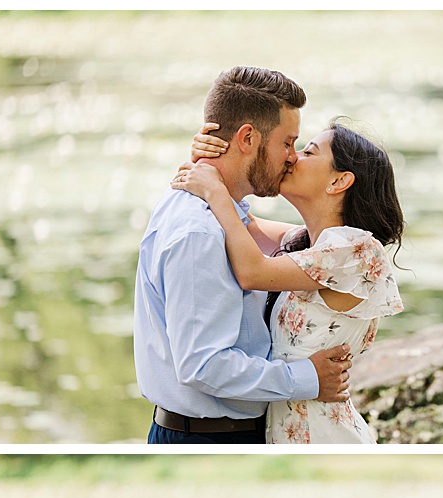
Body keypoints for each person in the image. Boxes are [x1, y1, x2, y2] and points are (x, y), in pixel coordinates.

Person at [133, 66, 354, 444]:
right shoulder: (199, 232)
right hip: (208, 440)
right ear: (248, 138)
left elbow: (301, 244)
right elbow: (203, 366)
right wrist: (307, 378)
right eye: (288, 142)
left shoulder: (223, 213)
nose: (291, 158)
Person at [173, 120, 405, 443]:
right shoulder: (312, 245)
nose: (293, 157)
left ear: (340, 180)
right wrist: (214, 157)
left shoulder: (357, 250)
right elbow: (243, 224)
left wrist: (213, 188)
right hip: (289, 434)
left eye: (309, 151)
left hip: (326, 438)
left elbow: (251, 270)